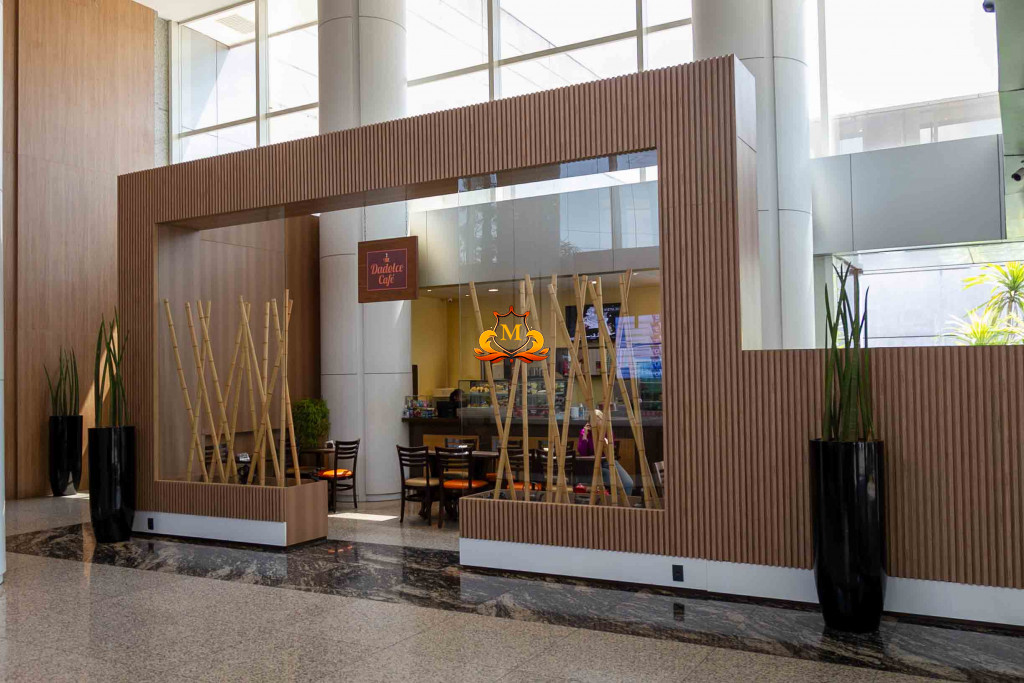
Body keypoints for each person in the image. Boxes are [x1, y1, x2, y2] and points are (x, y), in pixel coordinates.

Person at [576, 410, 634, 496]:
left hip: (608, 461)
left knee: (628, 483)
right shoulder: (585, 432)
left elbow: (609, 449)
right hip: (592, 465)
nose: (596, 422)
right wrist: (585, 436)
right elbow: (583, 453)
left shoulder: (607, 432)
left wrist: (602, 437)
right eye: (593, 420)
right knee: (612, 481)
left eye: (598, 419)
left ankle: (623, 502)